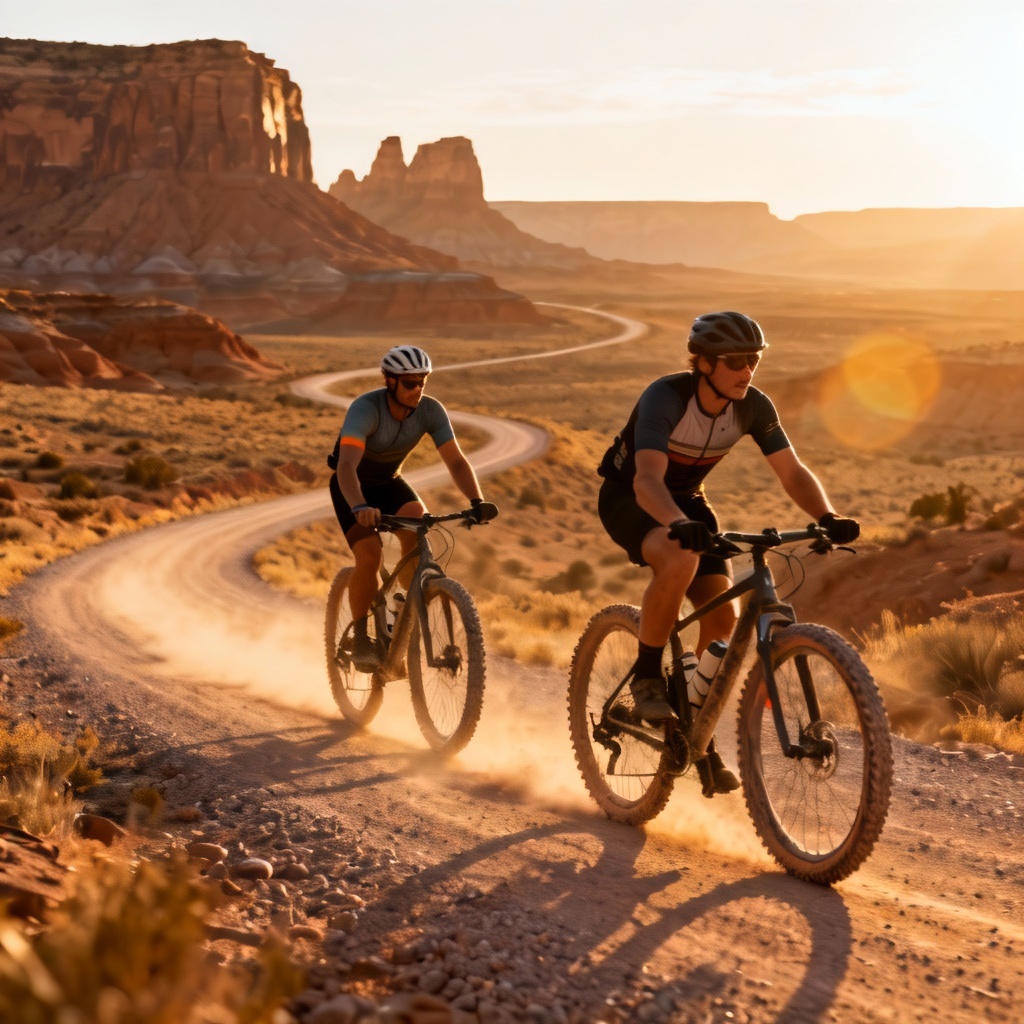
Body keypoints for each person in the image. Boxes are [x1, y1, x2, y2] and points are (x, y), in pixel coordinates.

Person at [597, 311, 859, 795]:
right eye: (736, 360)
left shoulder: (753, 406)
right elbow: (647, 479)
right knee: (679, 560)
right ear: (702, 362)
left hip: (690, 504)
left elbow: (792, 471)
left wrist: (826, 516)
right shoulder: (665, 397)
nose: (747, 370)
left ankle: (694, 740)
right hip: (631, 497)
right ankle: (649, 678)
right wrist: (677, 524)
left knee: (721, 629)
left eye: (754, 360)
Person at [328, 345, 489, 670]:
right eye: (410, 383)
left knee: (418, 525)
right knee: (369, 555)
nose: (418, 390)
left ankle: (404, 604)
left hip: (389, 482)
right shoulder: (366, 409)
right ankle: (361, 639)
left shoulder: (431, 411)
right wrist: (359, 505)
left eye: (422, 383)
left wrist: (477, 501)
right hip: (353, 485)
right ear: (390, 382)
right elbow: (346, 466)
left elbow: (456, 461)